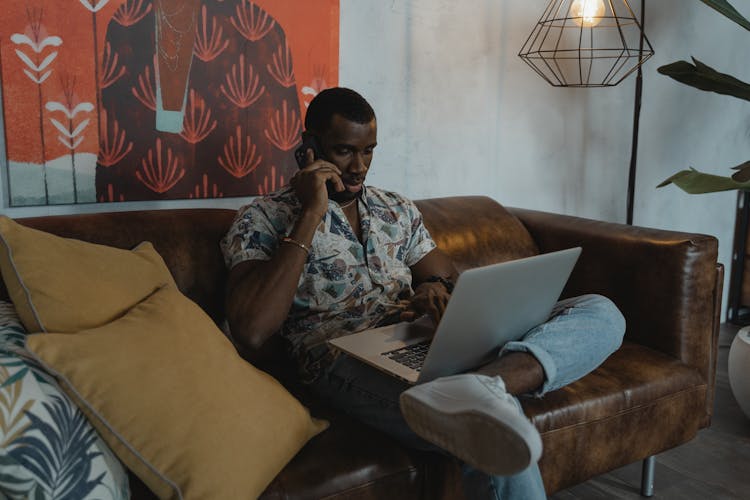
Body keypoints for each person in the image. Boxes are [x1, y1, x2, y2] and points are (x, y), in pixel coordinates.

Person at [221, 87, 626, 500]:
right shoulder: (263, 218)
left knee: (601, 311)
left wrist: (432, 290)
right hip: (339, 356)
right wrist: (311, 213)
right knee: (492, 425)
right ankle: (478, 398)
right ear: (309, 147)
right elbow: (253, 329)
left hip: (420, 339)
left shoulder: (394, 208)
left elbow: (444, 276)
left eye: (369, 151)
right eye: (344, 151)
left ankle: (487, 384)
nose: (359, 167)